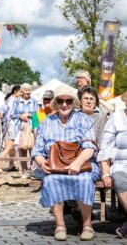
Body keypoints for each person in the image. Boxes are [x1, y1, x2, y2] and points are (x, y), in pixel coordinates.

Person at [31, 85, 99, 241]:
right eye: (60, 100)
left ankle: (88, 225)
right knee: (51, 179)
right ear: (55, 103)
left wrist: (77, 162)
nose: (64, 104)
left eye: (68, 101)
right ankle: (60, 226)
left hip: (82, 164)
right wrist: (42, 163)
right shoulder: (47, 122)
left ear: (73, 102)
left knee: (84, 179)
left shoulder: (84, 120)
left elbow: (90, 147)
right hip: (54, 166)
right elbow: (37, 151)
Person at [97, 90, 127, 239]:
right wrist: (106, 172)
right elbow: (105, 147)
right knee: (120, 180)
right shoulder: (116, 118)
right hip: (121, 164)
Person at [11, 83, 38, 177]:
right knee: (21, 150)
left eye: (29, 90)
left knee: (32, 149)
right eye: (26, 90)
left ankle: (33, 171)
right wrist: (20, 116)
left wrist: (30, 115)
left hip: (31, 128)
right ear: (21, 91)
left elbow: (37, 114)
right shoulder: (16, 101)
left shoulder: (34, 101)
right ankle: (24, 171)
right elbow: (12, 115)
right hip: (20, 128)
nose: (28, 92)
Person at [0, 85, 21, 173]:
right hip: (12, 124)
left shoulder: (10, 100)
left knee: (11, 146)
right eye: (20, 92)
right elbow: (11, 114)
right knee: (10, 145)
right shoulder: (13, 100)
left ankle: (11, 165)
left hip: (9, 125)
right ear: (16, 91)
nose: (21, 94)